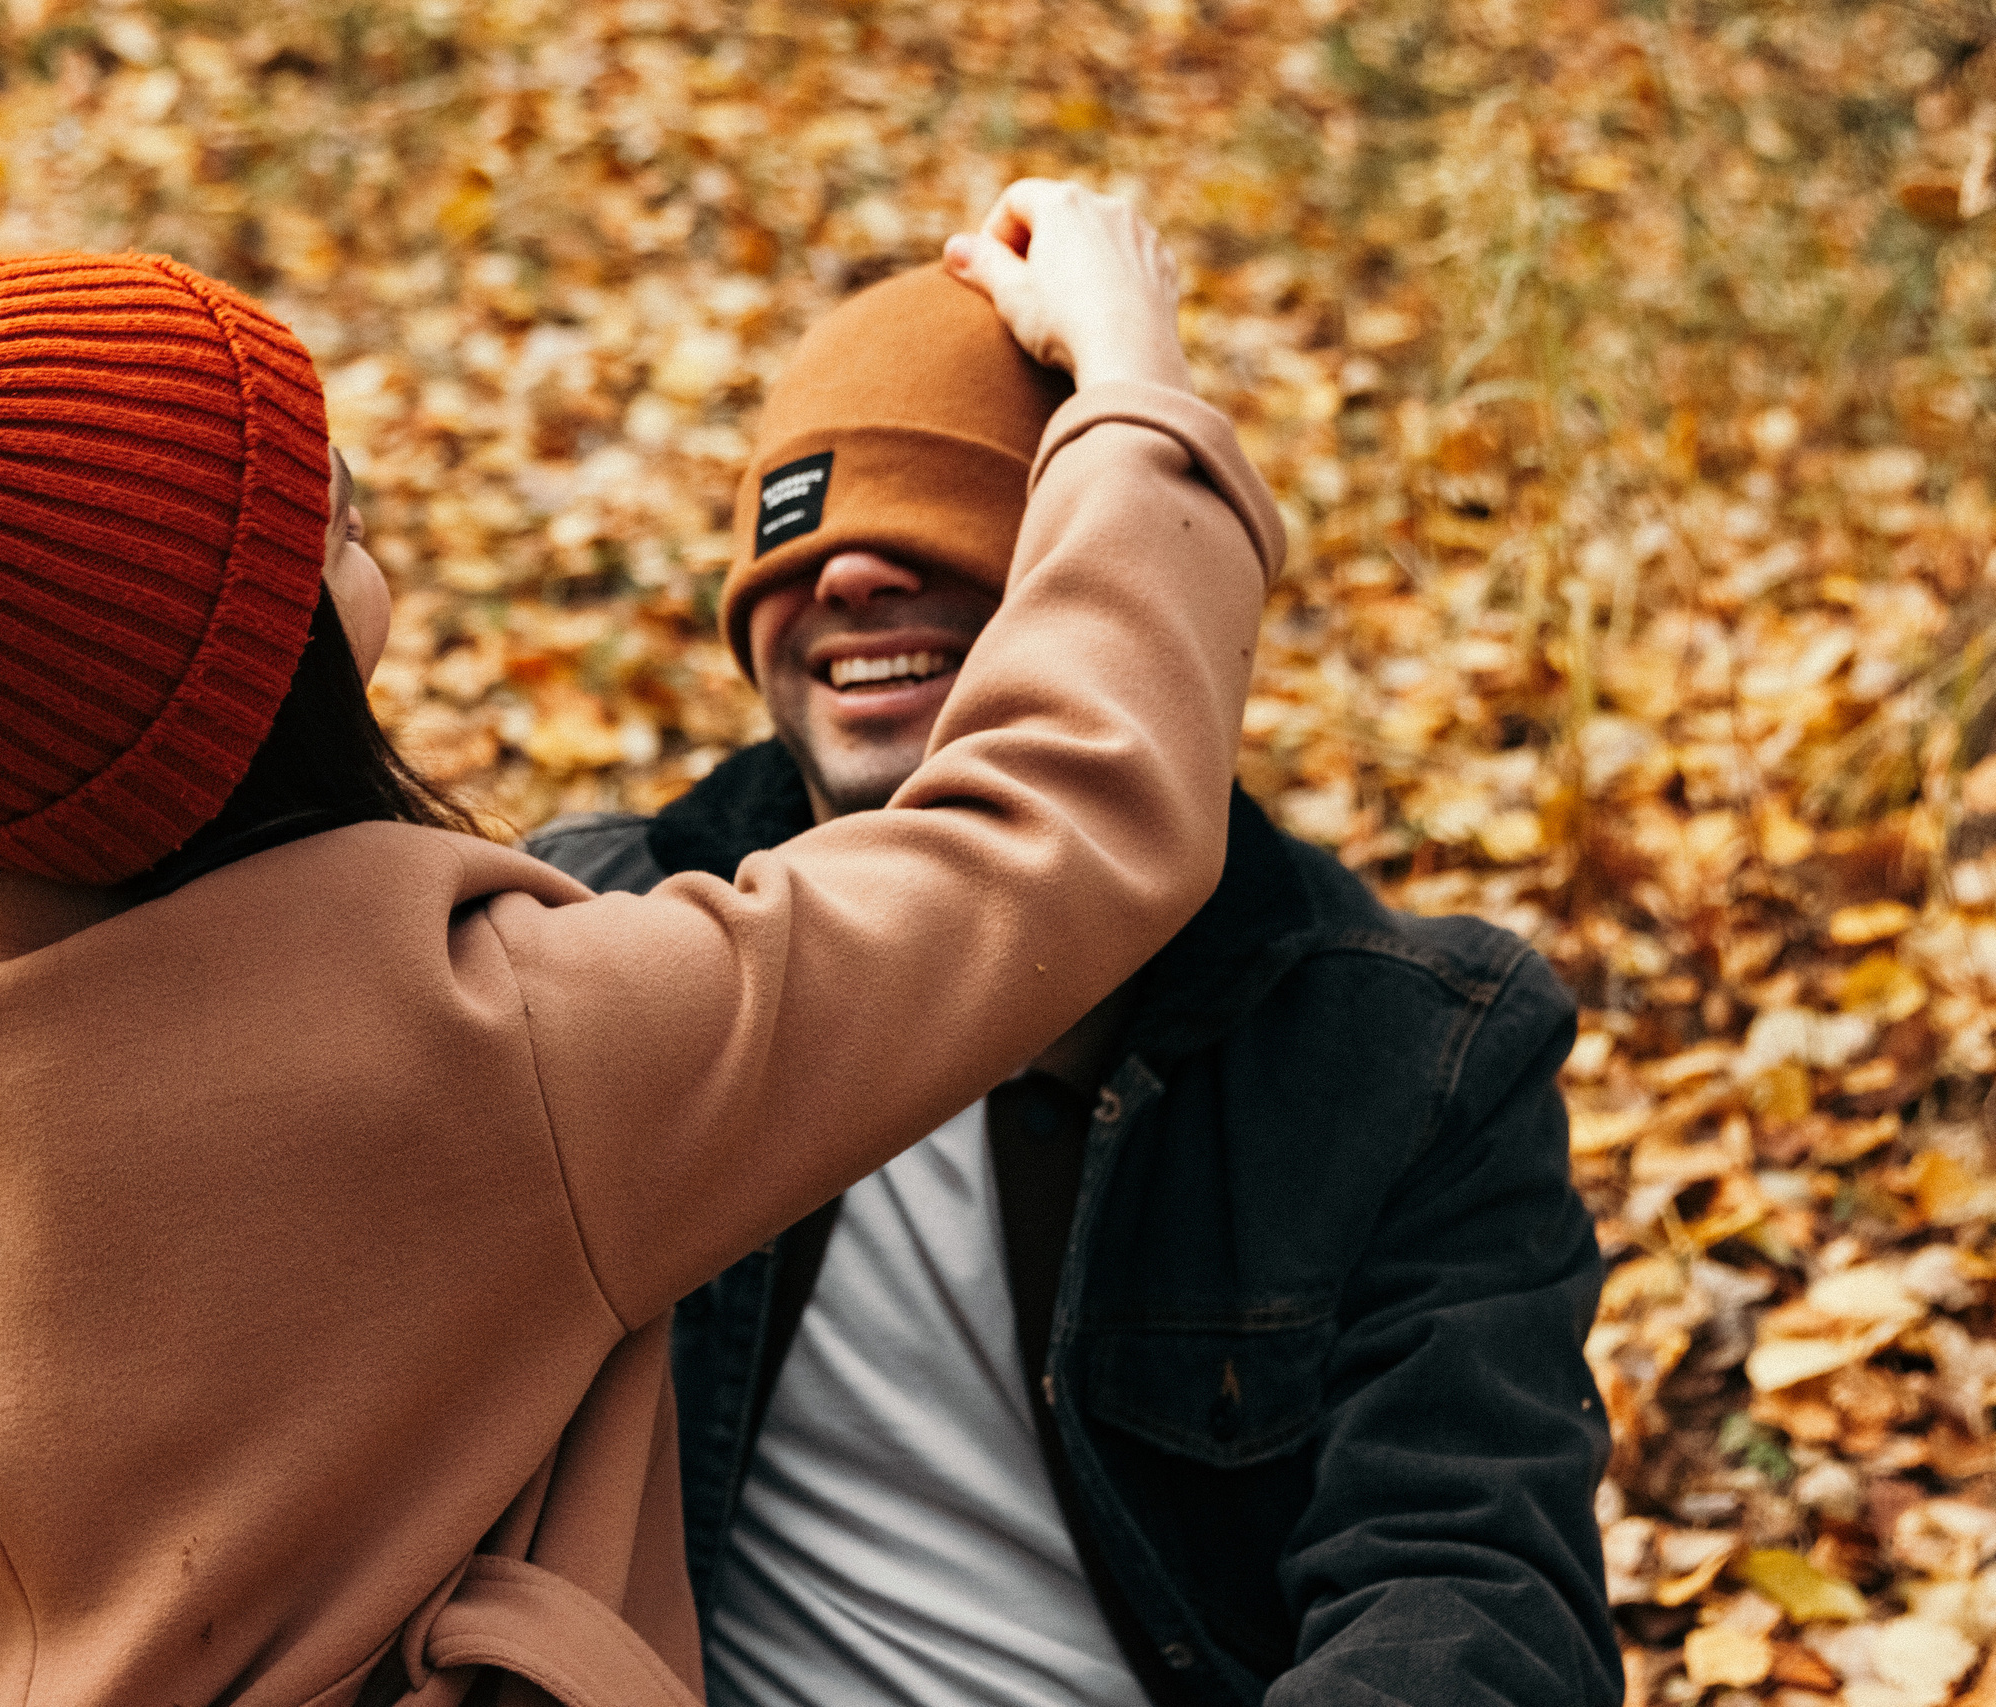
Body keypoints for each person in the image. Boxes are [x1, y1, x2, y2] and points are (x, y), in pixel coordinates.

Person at [0, 184, 1279, 1705]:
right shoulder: (491, 1056)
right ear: (241, 669)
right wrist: (1134, 387)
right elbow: (1055, 836)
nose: (345, 479)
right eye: (302, 501)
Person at [529, 263, 1621, 1707]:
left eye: (941, 524)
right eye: (800, 542)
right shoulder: (596, 949)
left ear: (1107, 598)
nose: (852, 576)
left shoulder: (1407, 1058)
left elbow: (1473, 1591)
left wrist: (1132, 374)